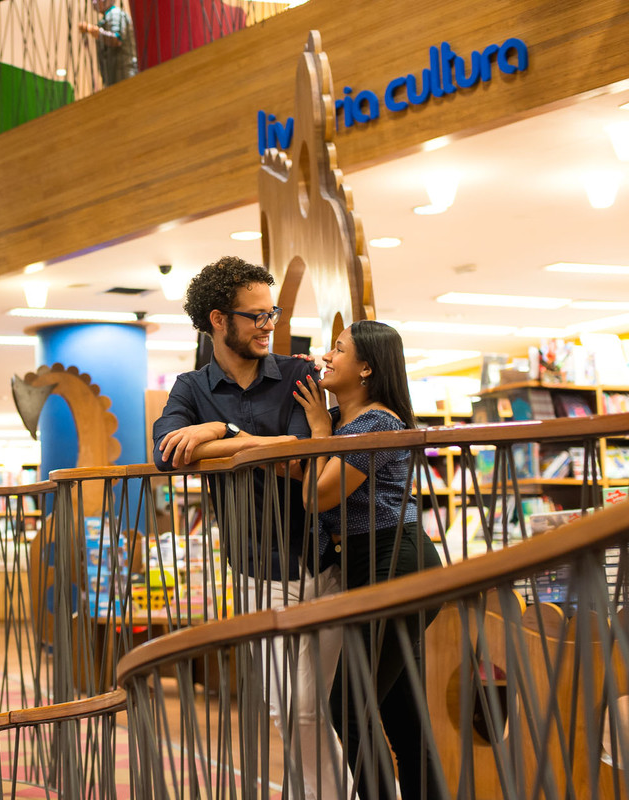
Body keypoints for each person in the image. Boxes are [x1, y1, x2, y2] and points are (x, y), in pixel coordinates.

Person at [153, 255, 347, 800]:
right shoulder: (191, 388)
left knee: (315, 708)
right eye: (256, 316)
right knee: (294, 708)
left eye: (273, 314)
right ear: (218, 320)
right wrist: (227, 432)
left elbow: (295, 453)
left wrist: (219, 432)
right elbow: (168, 453)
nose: (269, 326)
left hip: (326, 560)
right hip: (258, 567)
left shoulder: (298, 375)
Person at [293, 319, 445, 800]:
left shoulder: (377, 423)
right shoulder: (347, 423)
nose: (327, 357)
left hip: (395, 563)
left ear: (365, 369)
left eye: (338, 350)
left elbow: (317, 496)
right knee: (403, 716)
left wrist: (319, 429)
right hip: (370, 565)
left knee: (348, 707)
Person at [78, 0, 137, 87]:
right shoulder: (109, 17)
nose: (94, 3)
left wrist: (91, 30)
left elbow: (116, 39)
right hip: (115, 76)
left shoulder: (114, 14)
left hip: (123, 75)